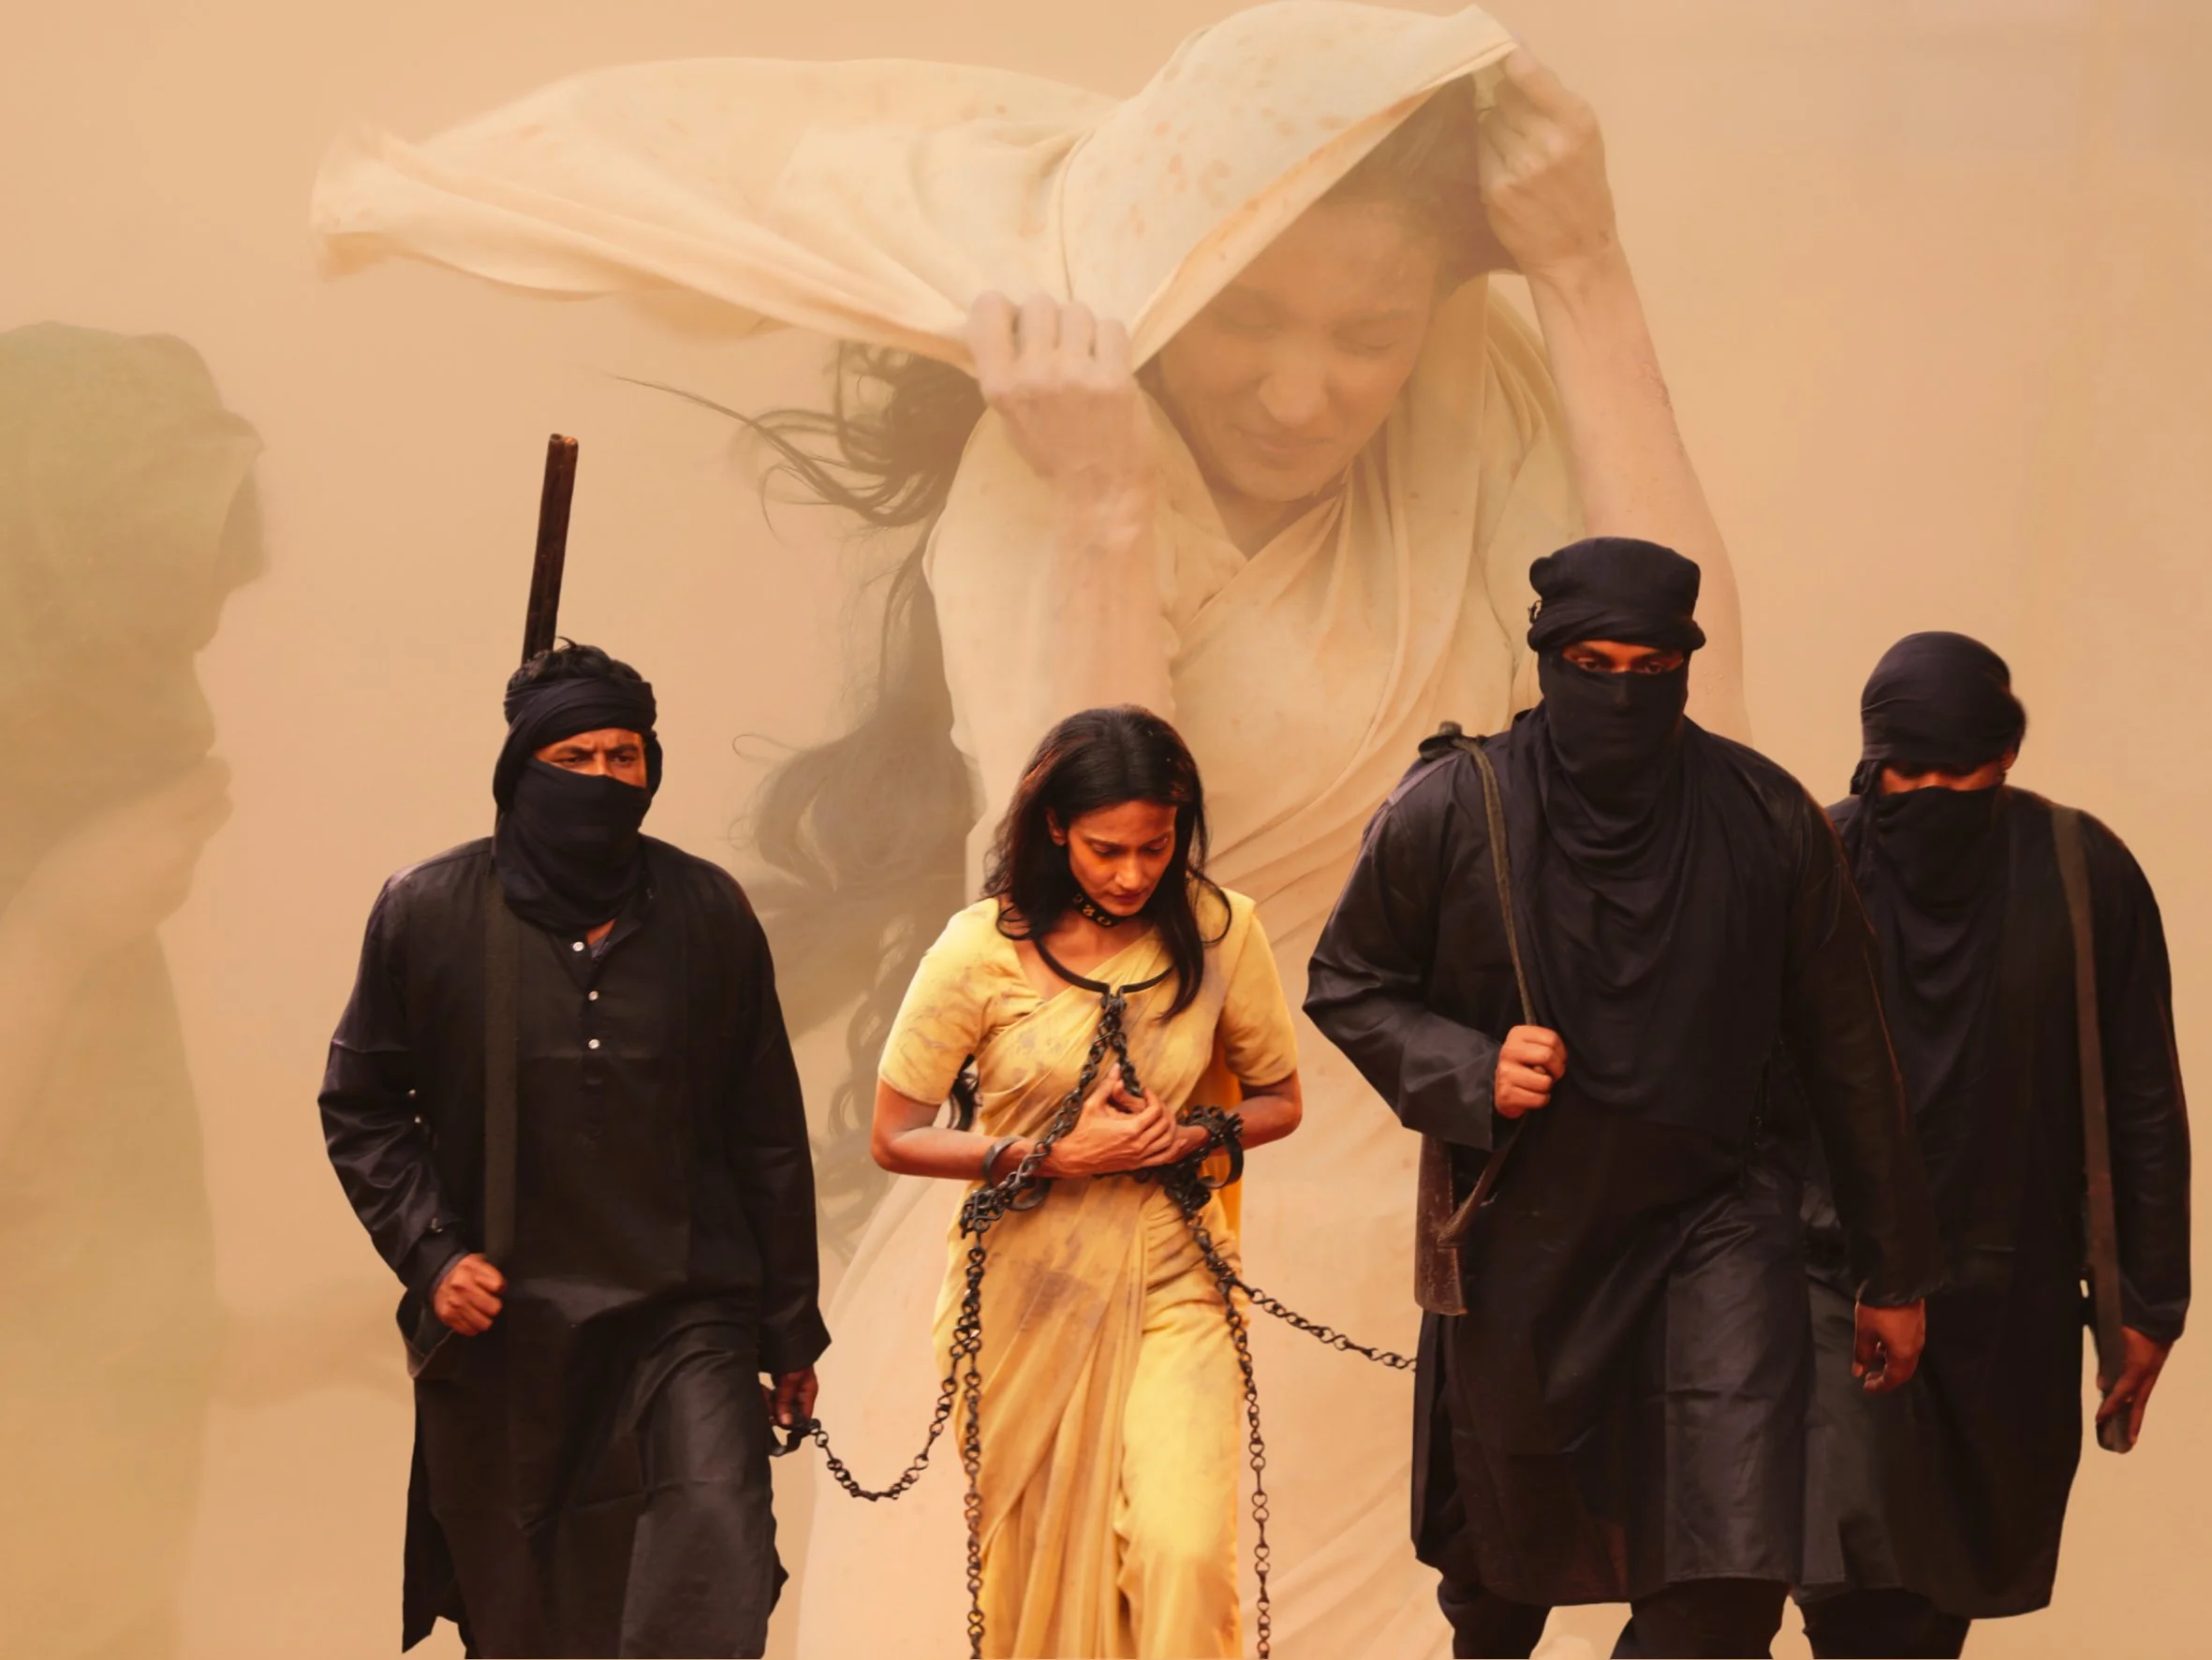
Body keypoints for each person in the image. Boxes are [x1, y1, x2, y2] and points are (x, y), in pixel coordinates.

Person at [310, 9, 1752, 1650]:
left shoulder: (1466, 411)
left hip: (1399, 1253)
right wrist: (1109, 504)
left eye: (1369, 332)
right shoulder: (1053, 479)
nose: (1303, 388)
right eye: (1248, 319)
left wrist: (1586, 274)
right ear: (1158, 293)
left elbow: (1708, 750)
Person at [1306, 536, 1945, 1658]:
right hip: (1526, 1234)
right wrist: (1469, 1069)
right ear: (1544, 656)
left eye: (1652, 670)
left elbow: (1852, 1053)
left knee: (1729, 1576)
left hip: (1719, 1226)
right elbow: (1348, 982)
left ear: (1686, 671)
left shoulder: (1765, 817)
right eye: (1592, 663)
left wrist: (1894, 1271)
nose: (1620, 693)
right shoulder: (1458, 807)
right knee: (1497, 1581)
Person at [317, 642, 828, 1657]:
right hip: (512, 1325)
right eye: (574, 758)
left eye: (623, 758)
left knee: (713, 1560)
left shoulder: (707, 913)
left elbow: (764, 1135)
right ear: (519, 771)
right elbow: (363, 1105)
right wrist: (434, 1256)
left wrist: (789, 1330)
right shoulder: (427, 910)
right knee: (533, 1620)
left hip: (687, 1313)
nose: (601, 780)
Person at [867, 704, 1303, 1657]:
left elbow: (1279, 1099)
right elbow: (894, 1136)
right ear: (1055, 826)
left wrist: (1188, 1135)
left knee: (1181, 1554)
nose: (1135, 873)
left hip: (1175, 1275)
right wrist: (1050, 1158)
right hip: (1029, 1291)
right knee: (1036, 1577)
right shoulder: (978, 950)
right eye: (1108, 848)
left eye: (1157, 847)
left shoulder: (1221, 932)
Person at [1792, 633, 2191, 1658]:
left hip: (2010, 1296)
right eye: (1904, 770)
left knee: (1941, 1595)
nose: (1928, 792)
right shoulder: (1814, 865)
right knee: (1855, 1583)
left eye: (1955, 770)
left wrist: (2146, 1302)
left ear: (2006, 754)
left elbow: (2142, 1094)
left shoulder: (2077, 869)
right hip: (1834, 1285)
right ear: (1869, 758)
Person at [0, 321, 258, 1660]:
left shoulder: (71, 843)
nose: (181, 707)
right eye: (133, 634)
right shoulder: (61, 893)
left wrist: (282, 1351)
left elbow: (53, 1252)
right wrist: (48, 933)